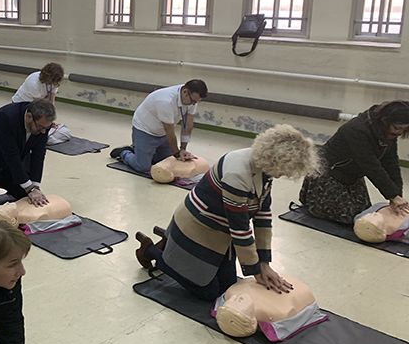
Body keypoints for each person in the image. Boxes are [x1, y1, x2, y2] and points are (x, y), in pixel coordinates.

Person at [135, 124, 319, 301]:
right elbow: (240, 227)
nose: (282, 176)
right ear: (275, 160)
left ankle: (170, 241)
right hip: (198, 225)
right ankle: (151, 251)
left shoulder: (264, 168)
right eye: (284, 171)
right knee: (209, 292)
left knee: (228, 286)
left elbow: (263, 216)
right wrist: (256, 271)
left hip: (221, 229)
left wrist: (264, 262)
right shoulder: (237, 173)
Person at [300, 100, 409, 225]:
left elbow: (391, 162)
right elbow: (370, 165)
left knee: (363, 212)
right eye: (397, 128)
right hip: (328, 173)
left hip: (351, 174)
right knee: (352, 218)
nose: (399, 133)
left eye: (404, 129)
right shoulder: (355, 130)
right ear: (385, 121)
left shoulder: (386, 131)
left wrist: (397, 195)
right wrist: (392, 196)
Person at [110, 79, 208, 174]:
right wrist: (177, 153)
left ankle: (140, 150)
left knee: (166, 162)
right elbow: (169, 131)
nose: (194, 104)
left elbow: (188, 125)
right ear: (185, 92)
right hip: (145, 130)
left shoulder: (192, 98)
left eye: (196, 102)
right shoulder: (165, 101)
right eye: (193, 101)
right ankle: (124, 153)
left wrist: (183, 149)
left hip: (162, 133)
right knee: (143, 167)